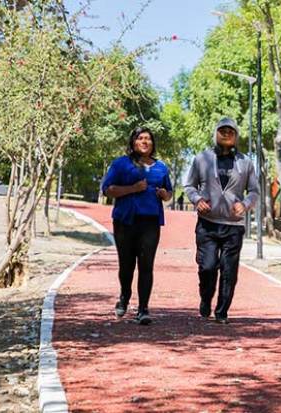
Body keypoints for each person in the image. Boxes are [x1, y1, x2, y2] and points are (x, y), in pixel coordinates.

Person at [184, 117, 259, 324]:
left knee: (229, 270)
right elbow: (189, 186)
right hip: (208, 223)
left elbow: (254, 191)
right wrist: (197, 200)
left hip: (233, 226)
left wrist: (244, 204)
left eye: (231, 132)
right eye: (222, 131)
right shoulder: (202, 159)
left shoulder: (246, 162)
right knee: (207, 266)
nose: (226, 134)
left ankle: (222, 311)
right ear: (216, 133)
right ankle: (206, 299)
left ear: (236, 137)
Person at [101, 126, 172, 325]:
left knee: (146, 265)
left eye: (148, 138)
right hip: (125, 221)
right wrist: (133, 188)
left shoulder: (161, 167)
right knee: (126, 265)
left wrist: (164, 195)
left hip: (150, 221)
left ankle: (143, 309)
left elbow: (169, 191)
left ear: (152, 143)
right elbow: (108, 190)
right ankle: (124, 295)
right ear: (133, 142)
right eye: (140, 138)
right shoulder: (121, 164)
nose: (144, 142)